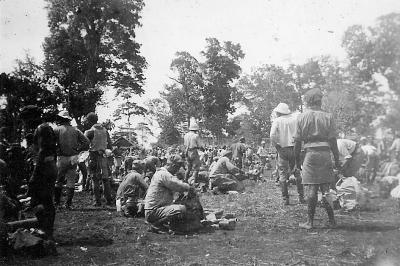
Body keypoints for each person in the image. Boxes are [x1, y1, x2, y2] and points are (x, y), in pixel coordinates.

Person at [294, 89, 340, 229]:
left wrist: (297, 162)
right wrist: (336, 159)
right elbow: (333, 140)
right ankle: (332, 221)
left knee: (312, 189)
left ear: (307, 101)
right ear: (320, 100)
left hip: (310, 154)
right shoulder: (328, 116)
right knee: (326, 189)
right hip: (325, 154)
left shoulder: (301, 117)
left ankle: (310, 222)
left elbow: (297, 142)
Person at [20, 105, 58, 240]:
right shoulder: (43, 128)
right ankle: (45, 229)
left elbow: (43, 152)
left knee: (44, 200)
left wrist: (35, 174)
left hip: (45, 169)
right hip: (48, 167)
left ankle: (47, 231)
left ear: (32, 117)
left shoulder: (42, 128)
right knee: (38, 200)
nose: (25, 123)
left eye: (25, 119)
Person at [144, 154, 194, 232]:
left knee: (181, 206)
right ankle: (156, 224)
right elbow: (177, 185)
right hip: (153, 211)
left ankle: (162, 223)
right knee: (181, 209)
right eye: (177, 167)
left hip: (155, 209)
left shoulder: (162, 173)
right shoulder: (163, 174)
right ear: (173, 165)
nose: (177, 170)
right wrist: (189, 187)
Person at [53, 110, 90, 209]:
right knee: (71, 180)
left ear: (61, 119)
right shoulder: (75, 130)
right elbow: (86, 142)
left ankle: (57, 203)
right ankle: (68, 204)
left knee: (58, 180)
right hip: (73, 157)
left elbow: (52, 143)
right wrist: (78, 149)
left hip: (61, 157)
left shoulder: (57, 130)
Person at [270, 103, 305, 205]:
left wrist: (276, 146)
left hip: (283, 149)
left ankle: (285, 199)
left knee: (282, 174)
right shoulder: (295, 119)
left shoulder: (277, 120)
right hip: (295, 148)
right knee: (297, 173)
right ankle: (301, 197)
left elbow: (272, 135)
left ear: (279, 112)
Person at [84, 112, 113, 207]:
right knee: (105, 179)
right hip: (104, 157)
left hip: (93, 157)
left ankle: (97, 201)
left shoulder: (89, 132)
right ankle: (108, 200)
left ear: (89, 121)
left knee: (95, 179)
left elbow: (84, 145)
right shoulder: (105, 131)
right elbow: (110, 145)